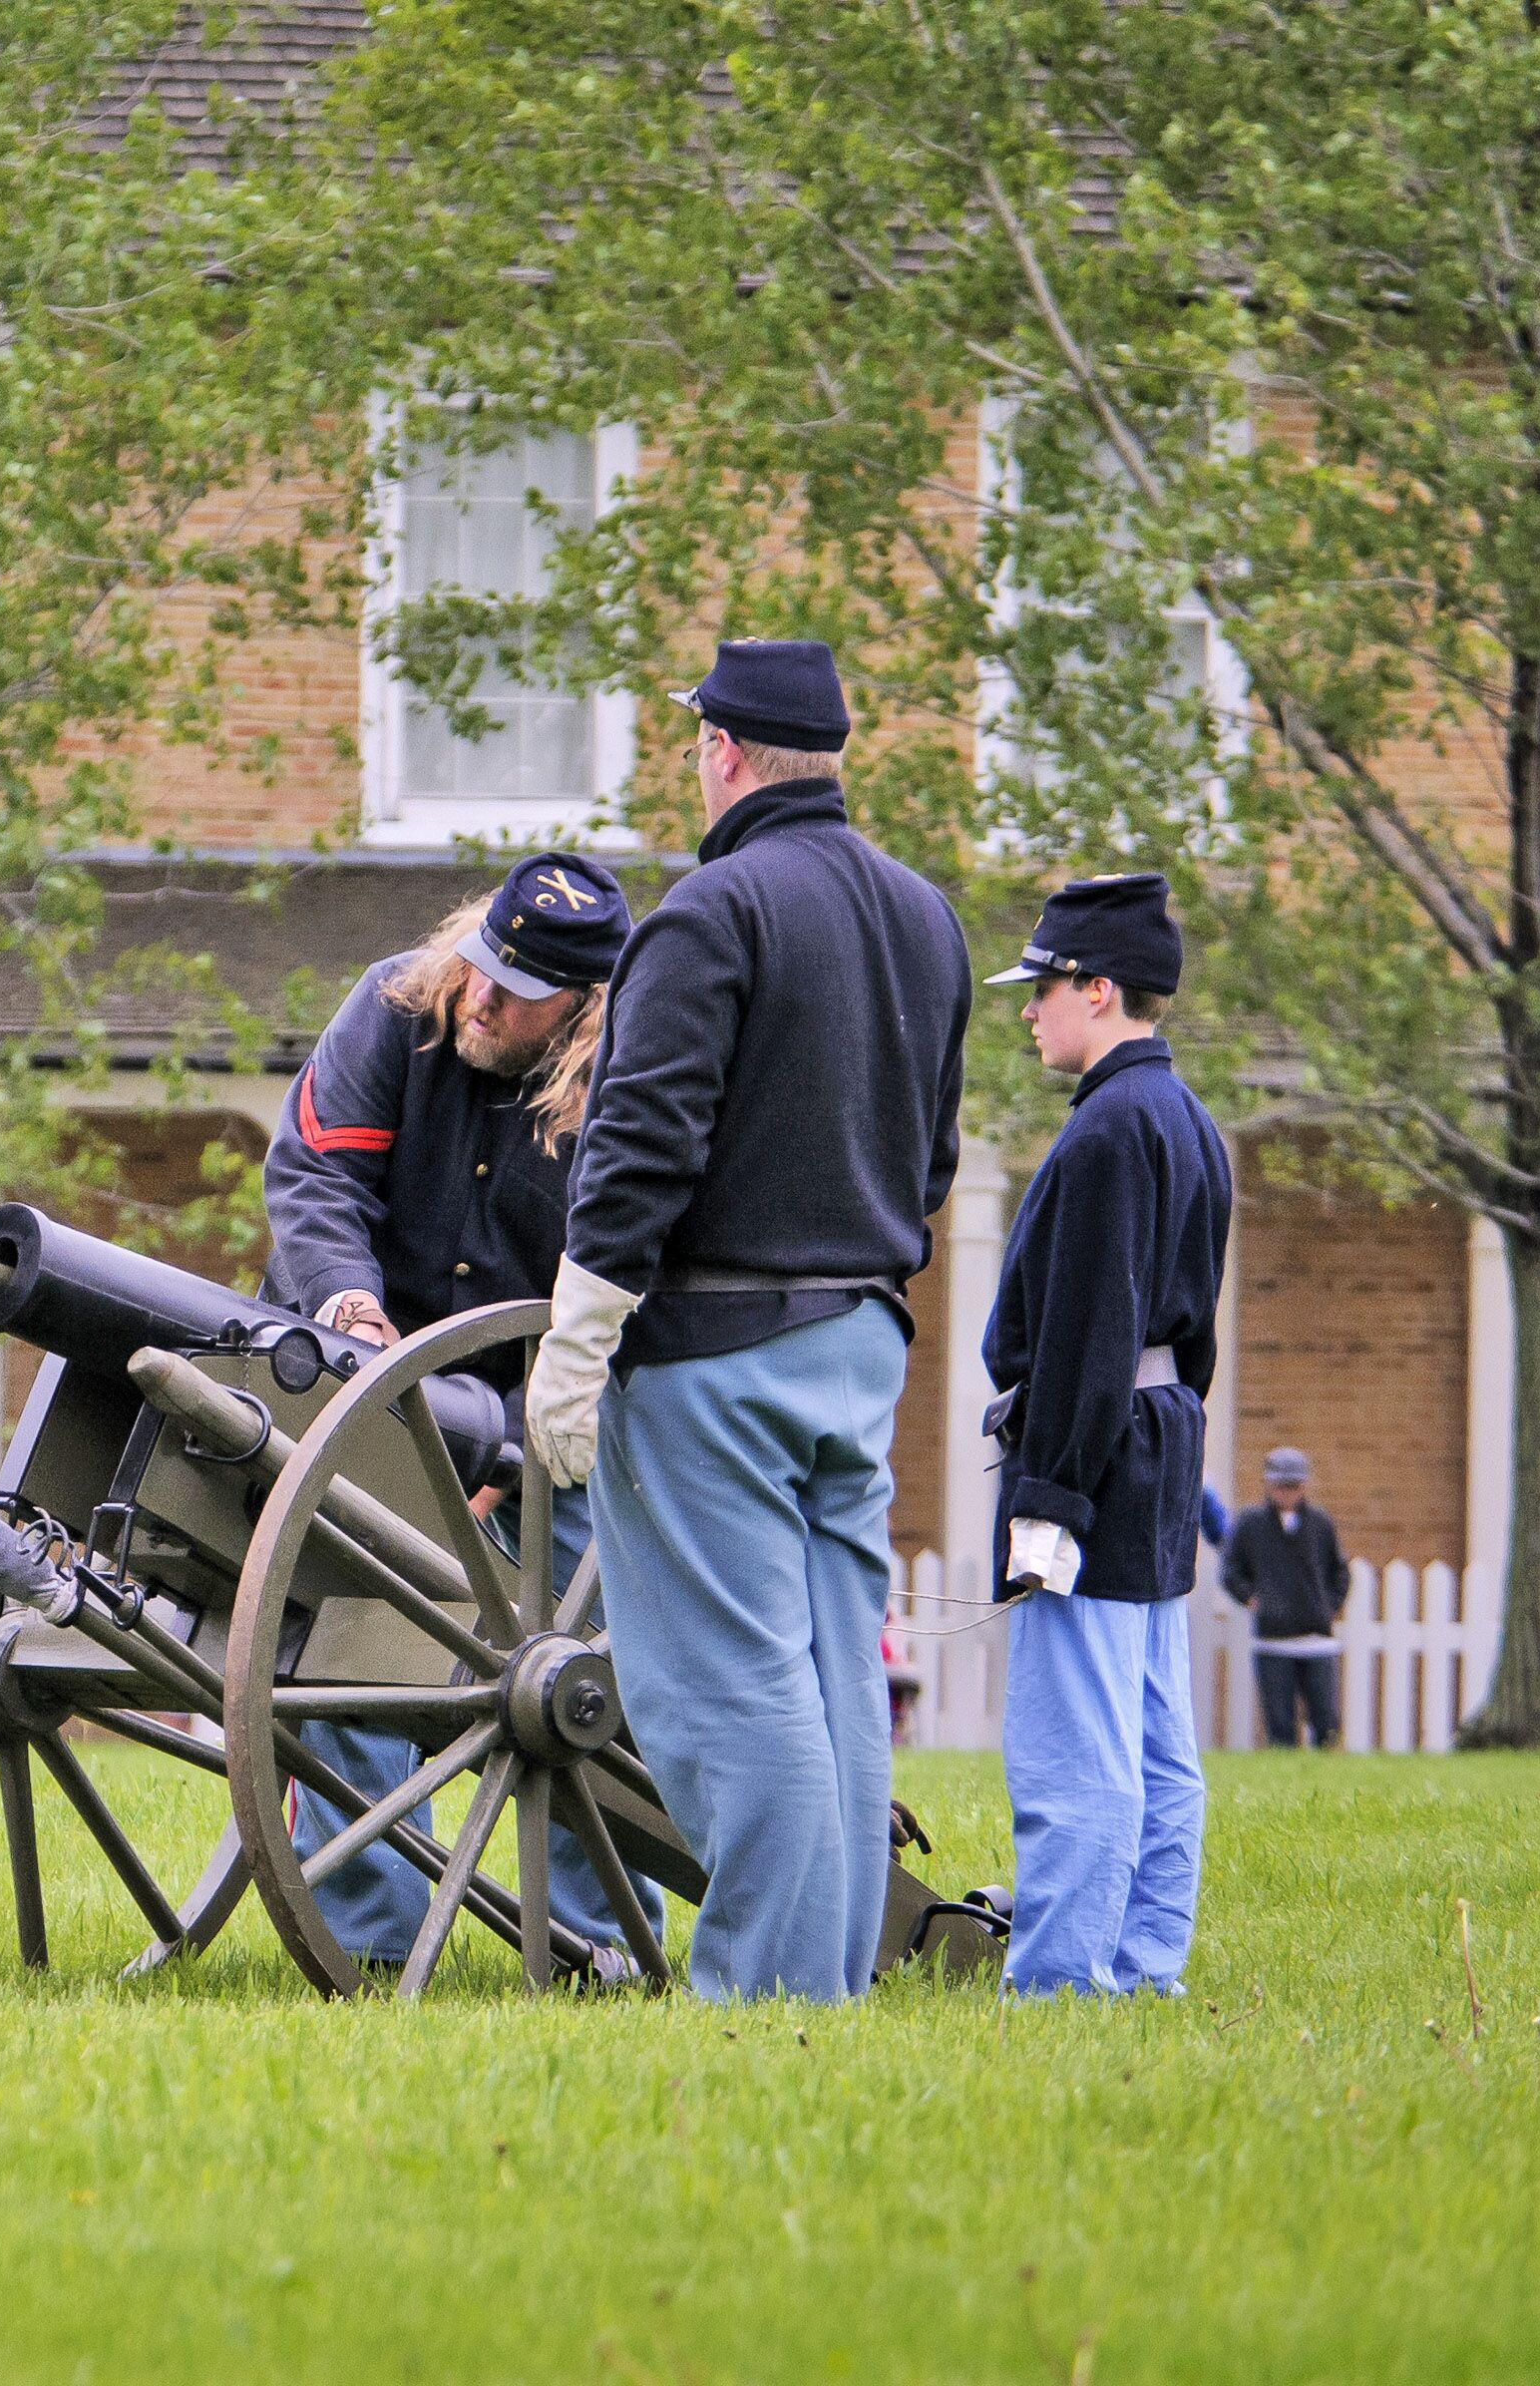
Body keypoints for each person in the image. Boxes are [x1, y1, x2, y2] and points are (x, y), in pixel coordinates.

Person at [526, 639, 970, 2003]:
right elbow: (936, 1159)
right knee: (839, 1689)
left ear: (719, 750)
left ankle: (764, 2004)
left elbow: (639, 1148)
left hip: (715, 1358)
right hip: (863, 1341)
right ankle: (824, 1986)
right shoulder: (926, 917)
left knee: (730, 1694)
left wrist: (578, 1336)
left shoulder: (709, 914)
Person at [261, 848, 662, 1971]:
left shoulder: (624, 1084)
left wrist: (516, 1443)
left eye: (518, 992)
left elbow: (618, 1266)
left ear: (582, 1008)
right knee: (356, 1641)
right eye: (482, 965)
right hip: (364, 1390)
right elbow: (315, 1177)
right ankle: (375, 1942)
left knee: (590, 1667)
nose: (482, 997)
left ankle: (606, 1945)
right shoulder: (397, 1005)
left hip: (545, 1414)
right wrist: (350, 1310)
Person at [977, 874, 1234, 1998]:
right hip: (1159, 1440)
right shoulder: (1187, 1119)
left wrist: (1050, 1499)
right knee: (1154, 1735)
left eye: (1044, 986)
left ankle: (1063, 1981)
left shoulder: (1111, 1129)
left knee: (1075, 1743)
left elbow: (1086, 1333)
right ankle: (1142, 1965)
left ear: (1101, 987)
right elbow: (1193, 1334)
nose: (1030, 1009)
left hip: (1096, 1446)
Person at [1224, 1448, 1348, 1750]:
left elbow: (1339, 1570)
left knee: (1326, 1721)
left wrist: (1329, 1606)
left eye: (1293, 1486)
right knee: (1279, 1724)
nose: (1287, 1493)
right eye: (1281, 1485)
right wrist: (1252, 1599)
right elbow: (1231, 1570)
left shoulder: (1320, 1523)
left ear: (1304, 1486)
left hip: (1316, 1638)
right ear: (1269, 1485)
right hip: (1273, 1639)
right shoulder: (1250, 1523)